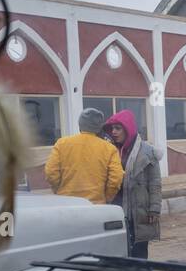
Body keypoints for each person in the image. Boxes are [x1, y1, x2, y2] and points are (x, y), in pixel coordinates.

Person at [103, 110, 160, 258]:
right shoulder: (109, 150)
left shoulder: (147, 152)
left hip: (139, 211)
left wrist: (155, 208)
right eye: (112, 129)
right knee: (120, 252)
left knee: (139, 252)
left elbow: (155, 182)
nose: (114, 132)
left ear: (128, 128)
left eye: (118, 128)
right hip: (115, 209)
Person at [44, 107, 124, 204]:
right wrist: (107, 197)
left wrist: (58, 190)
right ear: (99, 128)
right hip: (96, 205)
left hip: (66, 203)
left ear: (80, 125)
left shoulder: (62, 144)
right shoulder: (109, 148)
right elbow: (116, 178)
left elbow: (50, 172)